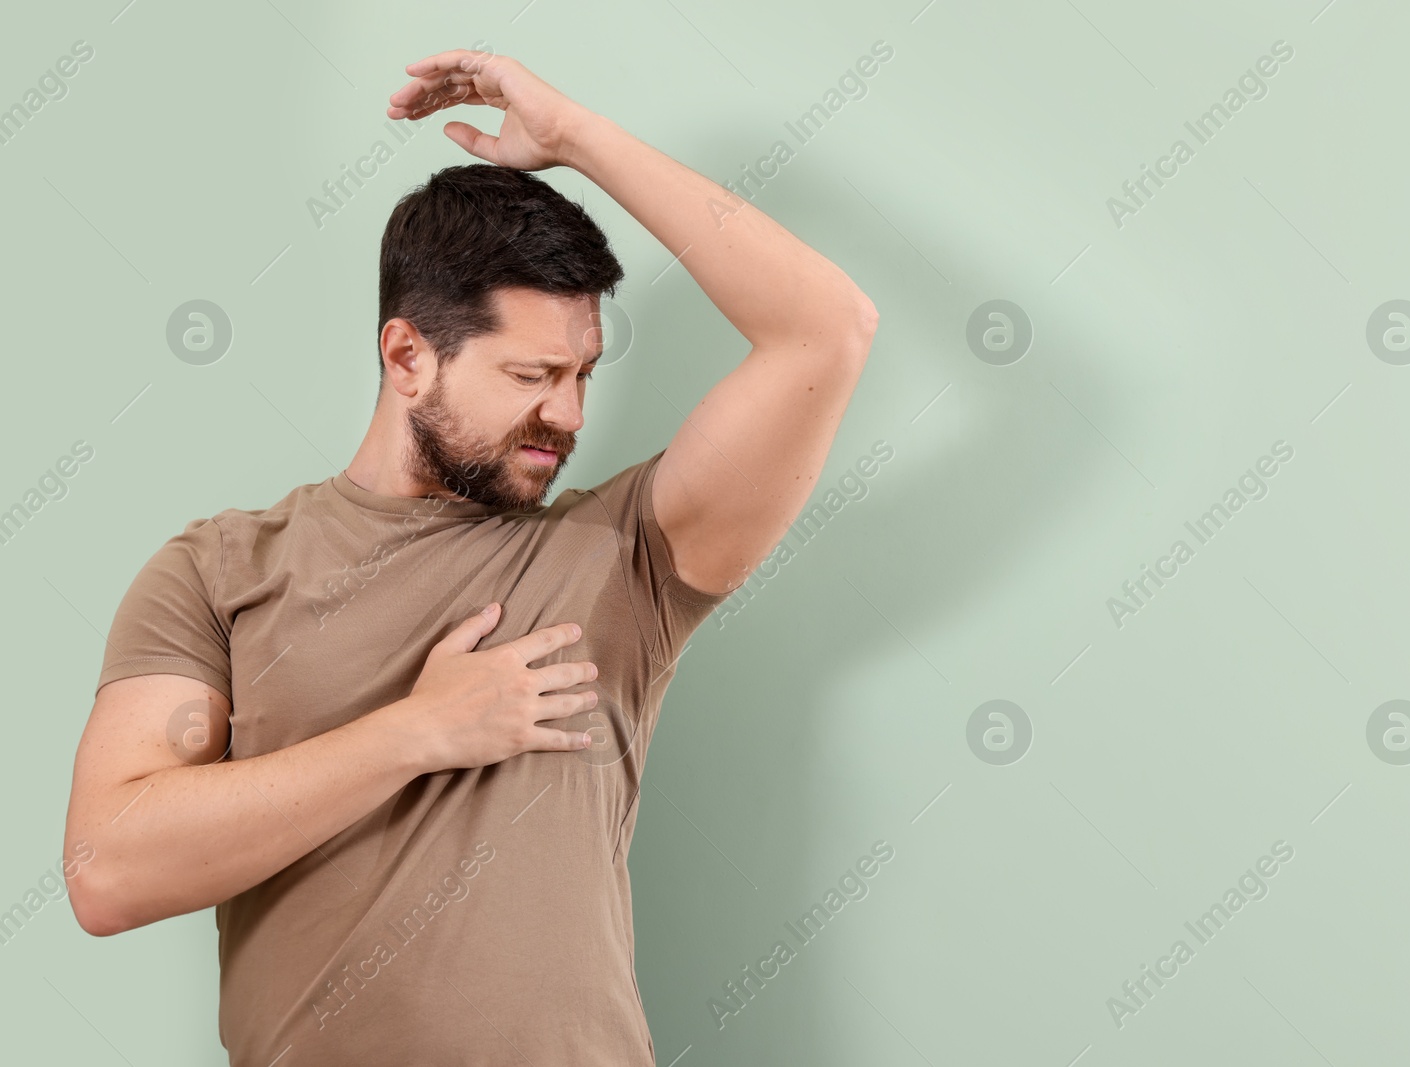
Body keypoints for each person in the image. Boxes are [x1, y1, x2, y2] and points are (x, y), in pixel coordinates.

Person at [62, 48, 876, 1066]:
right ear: (407, 357)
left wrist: (575, 137)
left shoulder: (621, 557)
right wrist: (418, 731)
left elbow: (826, 329)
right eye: (533, 373)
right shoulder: (217, 570)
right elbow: (107, 871)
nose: (569, 416)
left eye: (582, 372)